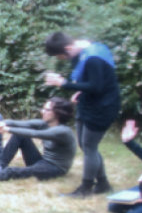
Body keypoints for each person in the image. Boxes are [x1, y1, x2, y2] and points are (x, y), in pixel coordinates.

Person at [43, 31, 120, 197]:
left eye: (60, 56)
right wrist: (78, 91)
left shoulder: (93, 57)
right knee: (85, 145)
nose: (61, 60)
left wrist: (63, 84)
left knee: (90, 146)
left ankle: (85, 189)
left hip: (103, 107)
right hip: (89, 103)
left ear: (69, 48)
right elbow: (93, 81)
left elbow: (97, 86)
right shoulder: (84, 51)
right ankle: (103, 184)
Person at [0, 97, 76, 183]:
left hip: (55, 168)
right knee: (20, 135)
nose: (43, 112)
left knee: (12, 171)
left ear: (57, 113)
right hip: (42, 161)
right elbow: (22, 124)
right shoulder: (45, 123)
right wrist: (2, 123)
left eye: (47, 110)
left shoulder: (63, 131)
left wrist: (7, 129)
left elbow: (35, 133)